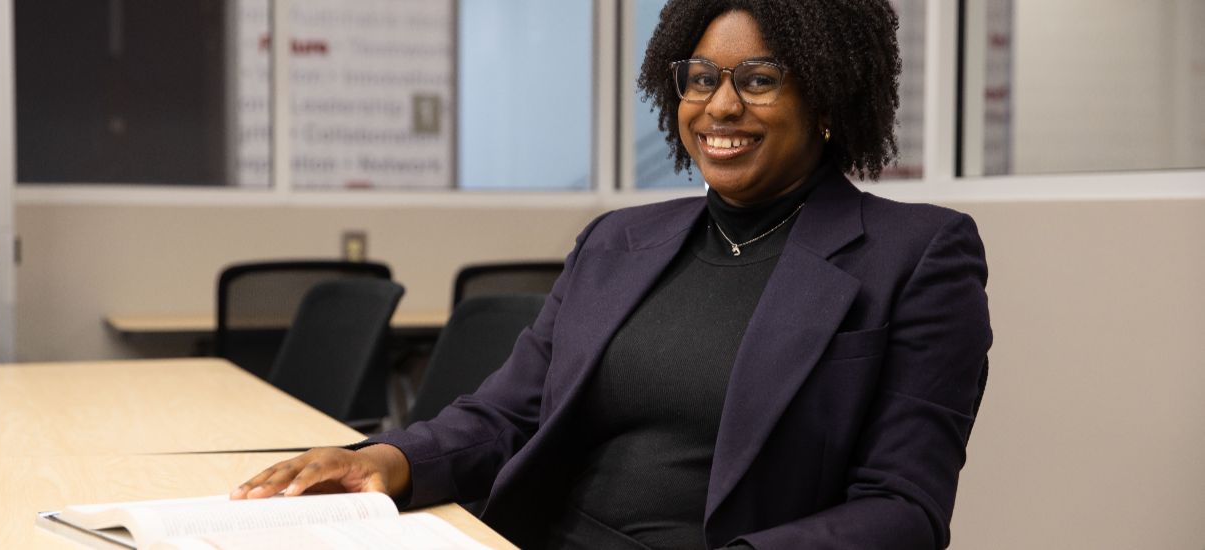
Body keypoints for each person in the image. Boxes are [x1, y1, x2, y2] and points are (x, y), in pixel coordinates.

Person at [232, 1, 992, 548]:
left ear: (827, 95)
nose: (721, 106)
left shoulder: (917, 254)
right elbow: (507, 415)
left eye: (760, 79)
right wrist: (382, 460)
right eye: (701, 78)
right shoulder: (617, 240)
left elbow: (905, 507)